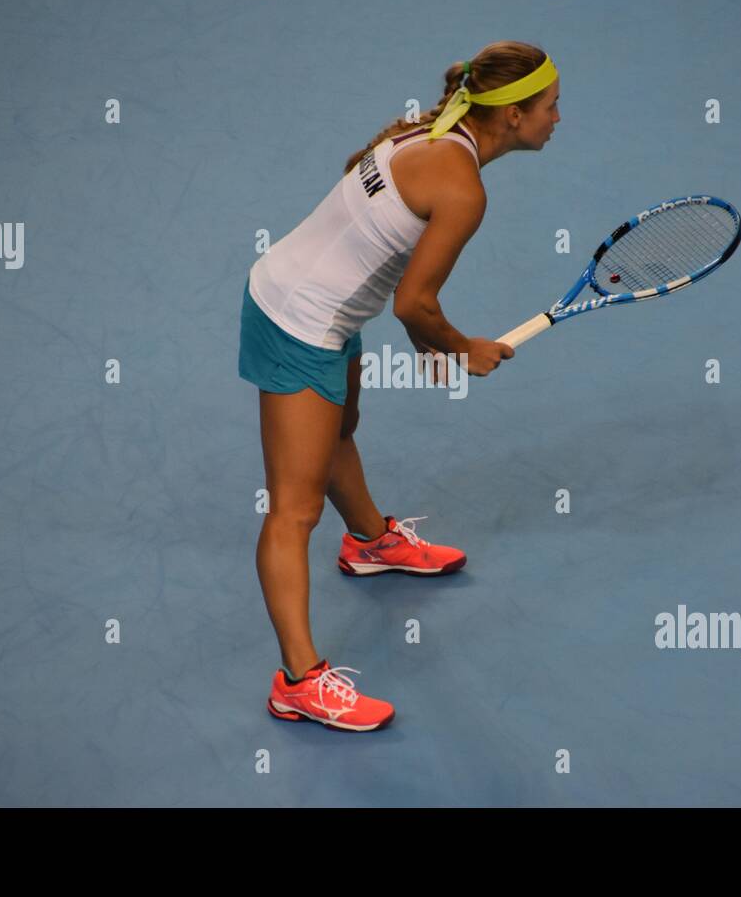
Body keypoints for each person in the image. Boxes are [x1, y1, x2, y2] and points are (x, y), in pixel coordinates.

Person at [238, 40, 561, 731]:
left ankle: (368, 543)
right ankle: (298, 680)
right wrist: (460, 348)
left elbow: (376, 238)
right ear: (510, 116)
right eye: (550, 106)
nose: (558, 117)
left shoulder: (424, 130)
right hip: (299, 323)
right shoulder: (464, 190)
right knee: (293, 513)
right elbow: (414, 305)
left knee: (341, 432)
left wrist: (434, 345)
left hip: (322, 304)